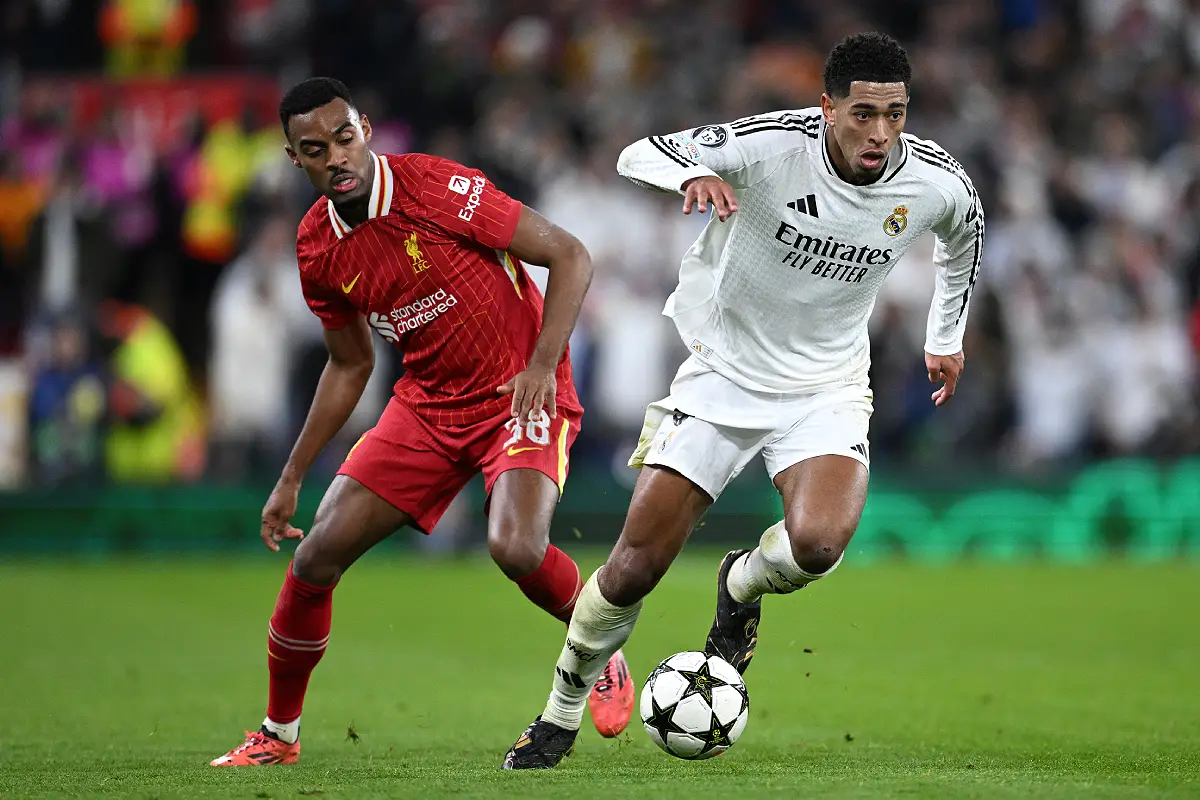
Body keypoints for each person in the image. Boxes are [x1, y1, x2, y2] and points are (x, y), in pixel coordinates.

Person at [503, 32, 985, 769]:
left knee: (819, 546)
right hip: (723, 373)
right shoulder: (769, 144)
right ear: (826, 108)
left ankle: (740, 583)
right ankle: (560, 712)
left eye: (895, 114)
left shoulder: (933, 179)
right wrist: (692, 175)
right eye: (863, 114)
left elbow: (965, 232)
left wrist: (944, 334)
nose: (881, 133)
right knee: (634, 567)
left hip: (826, 385)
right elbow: (642, 154)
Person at [211, 78, 634, 767]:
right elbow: (348, 366)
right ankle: (278, 736)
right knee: (316, 556)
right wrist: (291, 477)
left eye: (345, 138)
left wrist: (541, 364)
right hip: (429, 407)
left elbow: (570, 254)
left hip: (517, 393)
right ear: (296, 159)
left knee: (515, 548)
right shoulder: (318, 246)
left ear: (366, 129)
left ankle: (599, 646)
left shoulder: (437, 187)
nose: (336, 158)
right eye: (316, 150)